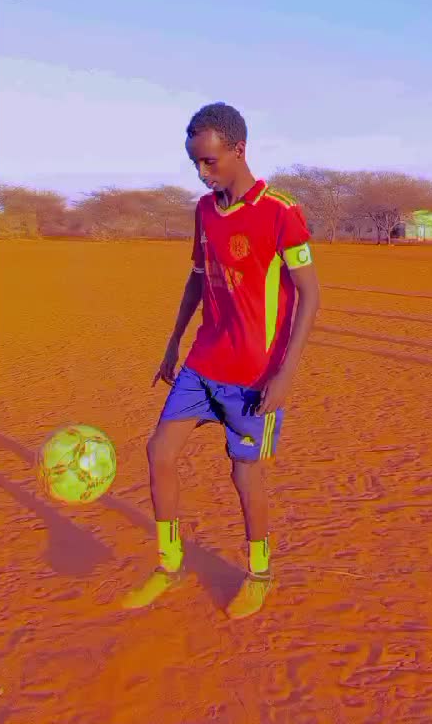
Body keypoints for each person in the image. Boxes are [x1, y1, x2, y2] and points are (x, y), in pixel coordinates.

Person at [123, 102, 320, 619]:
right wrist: (173, 342)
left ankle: (259, 573)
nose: (201, 172)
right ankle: (169, 564)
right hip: (203, 362)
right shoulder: (205, 210)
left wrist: (286, 373)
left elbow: (310, 294)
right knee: (159, 452)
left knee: (244, 474)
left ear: (239, 149)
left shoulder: (280, 211)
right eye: (194, 162)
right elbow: (197, 277)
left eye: (209, 161)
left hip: (255, 375)